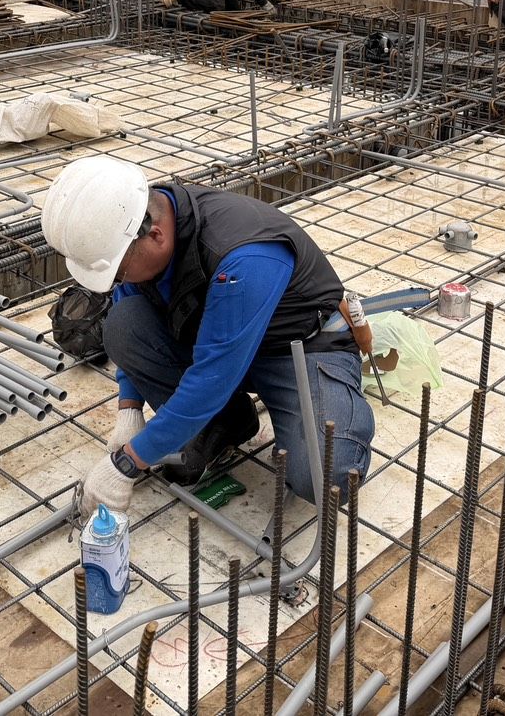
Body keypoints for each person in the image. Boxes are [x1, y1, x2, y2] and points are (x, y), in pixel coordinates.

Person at [40, 157, 375, 517]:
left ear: (155, 236)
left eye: (118, 270)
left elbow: (211, 379)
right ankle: (226, 422)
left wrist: (127, 463)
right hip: (223, 339)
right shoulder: (145, 221)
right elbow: (129, 300)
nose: (118, 281)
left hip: (300, 350)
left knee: (325, 477)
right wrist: (129, 406)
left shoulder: (242, 257)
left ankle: (337, 413)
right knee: (123, 323)